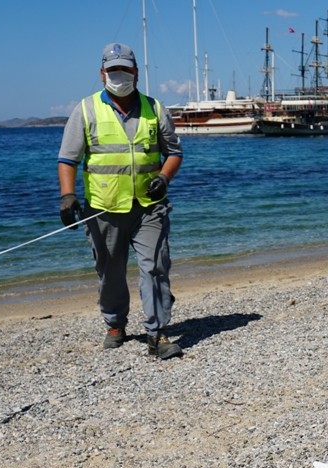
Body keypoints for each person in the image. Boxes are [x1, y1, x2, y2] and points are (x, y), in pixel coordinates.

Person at [57, 42, 184, 360]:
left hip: (149, 207)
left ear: (136, 73)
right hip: (103, 208)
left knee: (154, 267)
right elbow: (67, 160)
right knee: (110, 270)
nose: (119, 76)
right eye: (113, 71)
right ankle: (115, 324)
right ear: (102, 74)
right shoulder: (85, 110)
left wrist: (164, 178)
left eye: (125, 70)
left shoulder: (155, 109)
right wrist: (67, 196)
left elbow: (175, 153)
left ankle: (158, 334)